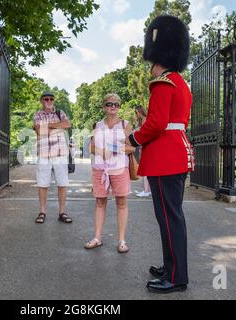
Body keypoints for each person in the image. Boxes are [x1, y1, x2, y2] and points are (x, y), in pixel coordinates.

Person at [127, 15, 194, 293]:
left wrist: (133, 137)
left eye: (151, 64)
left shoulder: (163, 83)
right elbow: (170, 119)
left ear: (159, 59)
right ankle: (171, 266)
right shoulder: (180, 82)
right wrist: (148, 115)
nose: (150, 70)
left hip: (165, 158)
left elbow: (156, 125)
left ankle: (176, 277)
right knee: (171, 217)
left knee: (169, 218)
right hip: (176, 152)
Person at [85, 94, 136, 253]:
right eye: (109, 104)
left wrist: (115, 149)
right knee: (100, 202)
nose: (112, 106)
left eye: (116, 104)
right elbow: (91, 148)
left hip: (120, 168)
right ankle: (97, 238)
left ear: (119, 106)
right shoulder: (98, 125)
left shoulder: (125, 125)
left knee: (121, 202)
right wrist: (104, 150)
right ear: (104, 107)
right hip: (100, 169)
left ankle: (121, 240)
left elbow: (132, 148)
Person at [33, 92, 73, 224]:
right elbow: (39, 131)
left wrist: (47, 126)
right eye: (46, 99)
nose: (49, 101)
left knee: (62, 184)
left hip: (60, 154)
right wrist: (57, 126)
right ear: (41, 101)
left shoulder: (60, 113)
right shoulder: (38, 114)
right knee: (42, 184)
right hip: (44, 153)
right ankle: (42, 211)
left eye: (51, 99)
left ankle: (62, 212)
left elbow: (67, 125)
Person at [133, 105, 151, 198]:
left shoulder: (146, 120)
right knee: (146, 169)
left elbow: (140, 133)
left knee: (146, 170)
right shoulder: (143, 120)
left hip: (147, 147)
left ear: (139, 112)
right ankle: (146, 189)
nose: (136, 114)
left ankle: (146, 190)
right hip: (143, 147)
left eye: (136, 112)